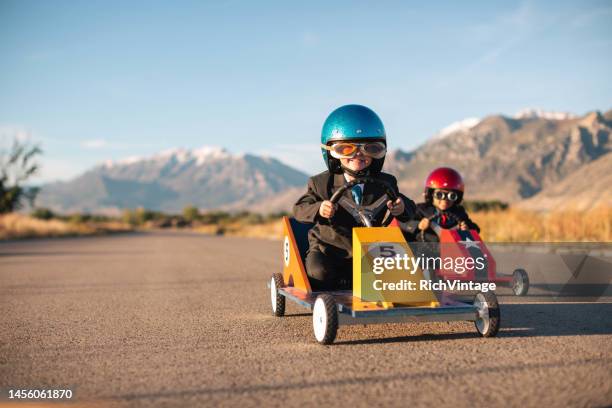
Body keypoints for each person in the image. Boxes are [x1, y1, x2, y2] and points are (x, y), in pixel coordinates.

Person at [293, 104, 416, 290]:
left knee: (407, 271)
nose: (358, 154)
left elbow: (408, 206)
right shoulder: (320, 183)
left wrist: (401, 207)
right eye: (346, 149)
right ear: (331, 153)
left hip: (371, 250)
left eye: (371, 148)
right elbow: (299, 209)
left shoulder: (386, 182)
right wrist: (319, 208)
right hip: (330, 250)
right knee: (319, 273)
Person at [403, 167, 479, 242]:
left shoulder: (459, 212)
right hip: (423, 250)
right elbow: (404, 223)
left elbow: (476, 229)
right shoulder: (421, 209)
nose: (445, 200)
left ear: (457, 197)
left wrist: (467, 228)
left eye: (451, 196)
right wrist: (418, 225)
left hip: (452, 251)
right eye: (439, 195)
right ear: (430, 194)